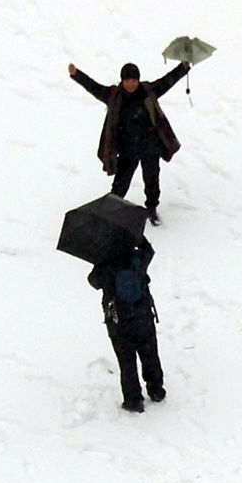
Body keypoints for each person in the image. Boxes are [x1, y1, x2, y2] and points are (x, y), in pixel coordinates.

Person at [68, 60, 190, 225]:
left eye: (134, 80)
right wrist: (77, 75)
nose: (131, 84)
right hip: (127, 149)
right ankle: (110, 210)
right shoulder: (113, 95)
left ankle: (151, 210)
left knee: (152, 180)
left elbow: (168, 81)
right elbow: (94, 87)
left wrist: (183, 68)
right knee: (120, 184)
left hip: (150, 147)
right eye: (127, 80)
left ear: (138, 80)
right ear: (122, 81)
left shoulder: (148, 91)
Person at [87, 236, 165, 413]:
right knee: (150, 353)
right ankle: (156, 389)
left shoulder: (105, 264)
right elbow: (149, 251)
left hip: (118, 321)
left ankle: (133, 400)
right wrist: (139, 238)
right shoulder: (137, 258)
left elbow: (93, 282)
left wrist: (98, 258)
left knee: (126, 360)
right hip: (143, 314)